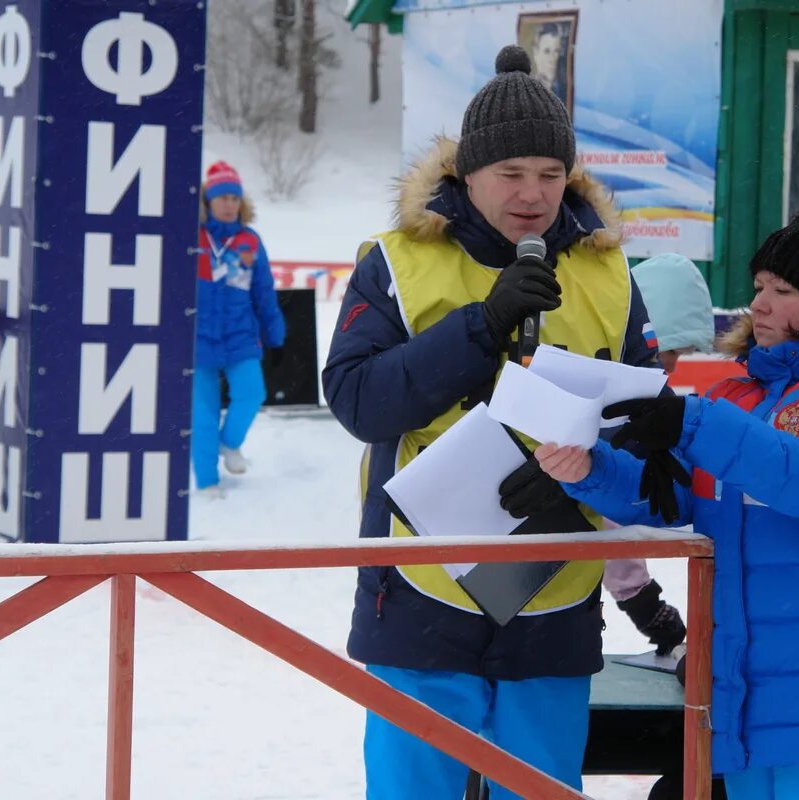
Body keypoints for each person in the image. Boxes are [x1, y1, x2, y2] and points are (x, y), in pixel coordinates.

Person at [322, 44, 659, 800]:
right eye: (510, 174)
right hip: (420, 583)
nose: (532, 194)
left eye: (549, 174)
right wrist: (483, 324)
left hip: (556, 585)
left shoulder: (610, 271)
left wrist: (585, 484)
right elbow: (357, 400)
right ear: (465, 173)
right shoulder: (397, 261)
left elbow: (648, 425)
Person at [537, 193, 799, 800]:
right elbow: (667, 498)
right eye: (760, 285)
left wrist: (691, 423)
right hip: (745, 705)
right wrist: (586, 466)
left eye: (782, 291)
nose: (759, 303)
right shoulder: (741, 397)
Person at [604, 253, 716, 657]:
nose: (675, 367)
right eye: (672, 353)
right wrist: (642, 602)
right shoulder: (621, 401)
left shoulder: (641, 398)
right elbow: (608, 510)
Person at [192, 160, 286, 499]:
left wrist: (273, 330)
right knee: (203, 413)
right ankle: (206, 481)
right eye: (222, 198)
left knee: (251, 393)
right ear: (208, 202)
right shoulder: (194, 238)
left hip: (239, 336)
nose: (229, 204)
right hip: (196, 340)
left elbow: (263, 289)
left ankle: (229, 444)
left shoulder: (250, 240)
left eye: (234, 198)